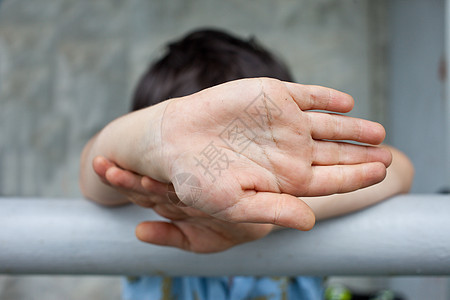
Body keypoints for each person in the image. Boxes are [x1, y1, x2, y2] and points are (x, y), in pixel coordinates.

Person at [79, 29, 413, 300]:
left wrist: (272, 210)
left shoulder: (299, 194)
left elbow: (397, 170)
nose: (223, 177)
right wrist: (156, 132)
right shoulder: (150, 201)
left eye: (250, 154)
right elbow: (96, 168)